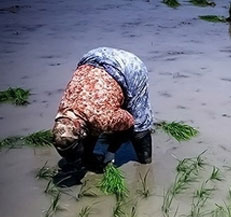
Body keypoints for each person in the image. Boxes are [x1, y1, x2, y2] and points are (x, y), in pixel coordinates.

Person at [52, 47, 154, 186]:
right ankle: (88, 156)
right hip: (93, 56)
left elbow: (129, 121)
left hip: (127, 66)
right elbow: (86, 124)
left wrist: (111, 152)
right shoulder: (63, 111)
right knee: (95, 125)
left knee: (139, 127)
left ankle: (146, 165)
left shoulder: (102, 118)